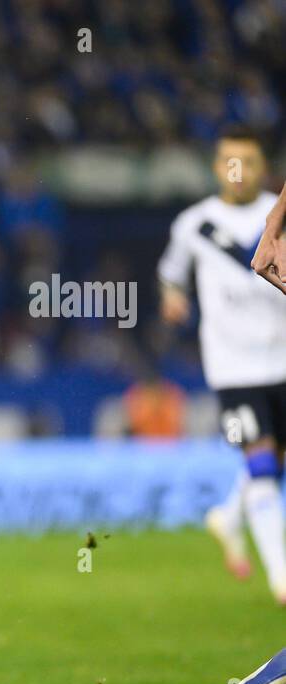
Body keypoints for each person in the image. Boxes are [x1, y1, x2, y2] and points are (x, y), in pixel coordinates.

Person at [160, 127, 286, 600]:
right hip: (233, 368)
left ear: (262, 168)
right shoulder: (194, 224)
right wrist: (173, 299)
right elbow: (171, 275)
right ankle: (281, 577)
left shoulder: (280, 214)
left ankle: (228, 516)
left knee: (274, 462)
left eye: (249, 163)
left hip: (284, 359)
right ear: (217, 168)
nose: (239, 172)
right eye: (230, 163)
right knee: (260, 465)